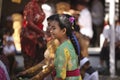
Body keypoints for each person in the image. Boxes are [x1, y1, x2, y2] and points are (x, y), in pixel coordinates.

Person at [48, 14, 82, 80]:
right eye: (50, 28)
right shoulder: (70, 44)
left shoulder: (61, 49)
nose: (51, 31)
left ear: (63, 31)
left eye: (54, 28)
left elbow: (60, 76)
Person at [20, 0, 47, 69]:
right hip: (30, 38)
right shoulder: (31, 6)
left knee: (38, 63)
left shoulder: (39, 5)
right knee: (30, 64)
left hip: (38, 37)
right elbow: (29, 23)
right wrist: (42, 32)